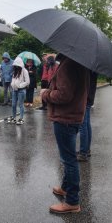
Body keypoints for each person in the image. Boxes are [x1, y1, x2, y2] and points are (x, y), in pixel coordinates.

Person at [41, 53, 90, 214]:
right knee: (68, 157)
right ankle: (64, 188)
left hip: (65, 117)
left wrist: (45, 94)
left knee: (69, 160)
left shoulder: (69, 64)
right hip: (74, 116)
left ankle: (72, 202)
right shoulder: (79, 62)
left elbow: (64, 95)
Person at [77, 71, 98, 162]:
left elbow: (83, 82)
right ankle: (86, 149)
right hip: (89, 97)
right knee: (87, 124)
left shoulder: (87, 66)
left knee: (83, 125)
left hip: (85, 98)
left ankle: (83, 152)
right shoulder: (94, 65)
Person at [7, 57, 29, 125]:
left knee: (20, 105)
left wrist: (20, 85)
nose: (16, 66)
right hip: (14, 90)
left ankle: (21, 118)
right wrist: (12, 84)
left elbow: (27, 82)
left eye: (17, 65)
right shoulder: (15, 71)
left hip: (21, 90)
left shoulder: (24, 71)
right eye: (15, 65)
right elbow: (13, 80)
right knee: (13, 105)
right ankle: (14, 118)